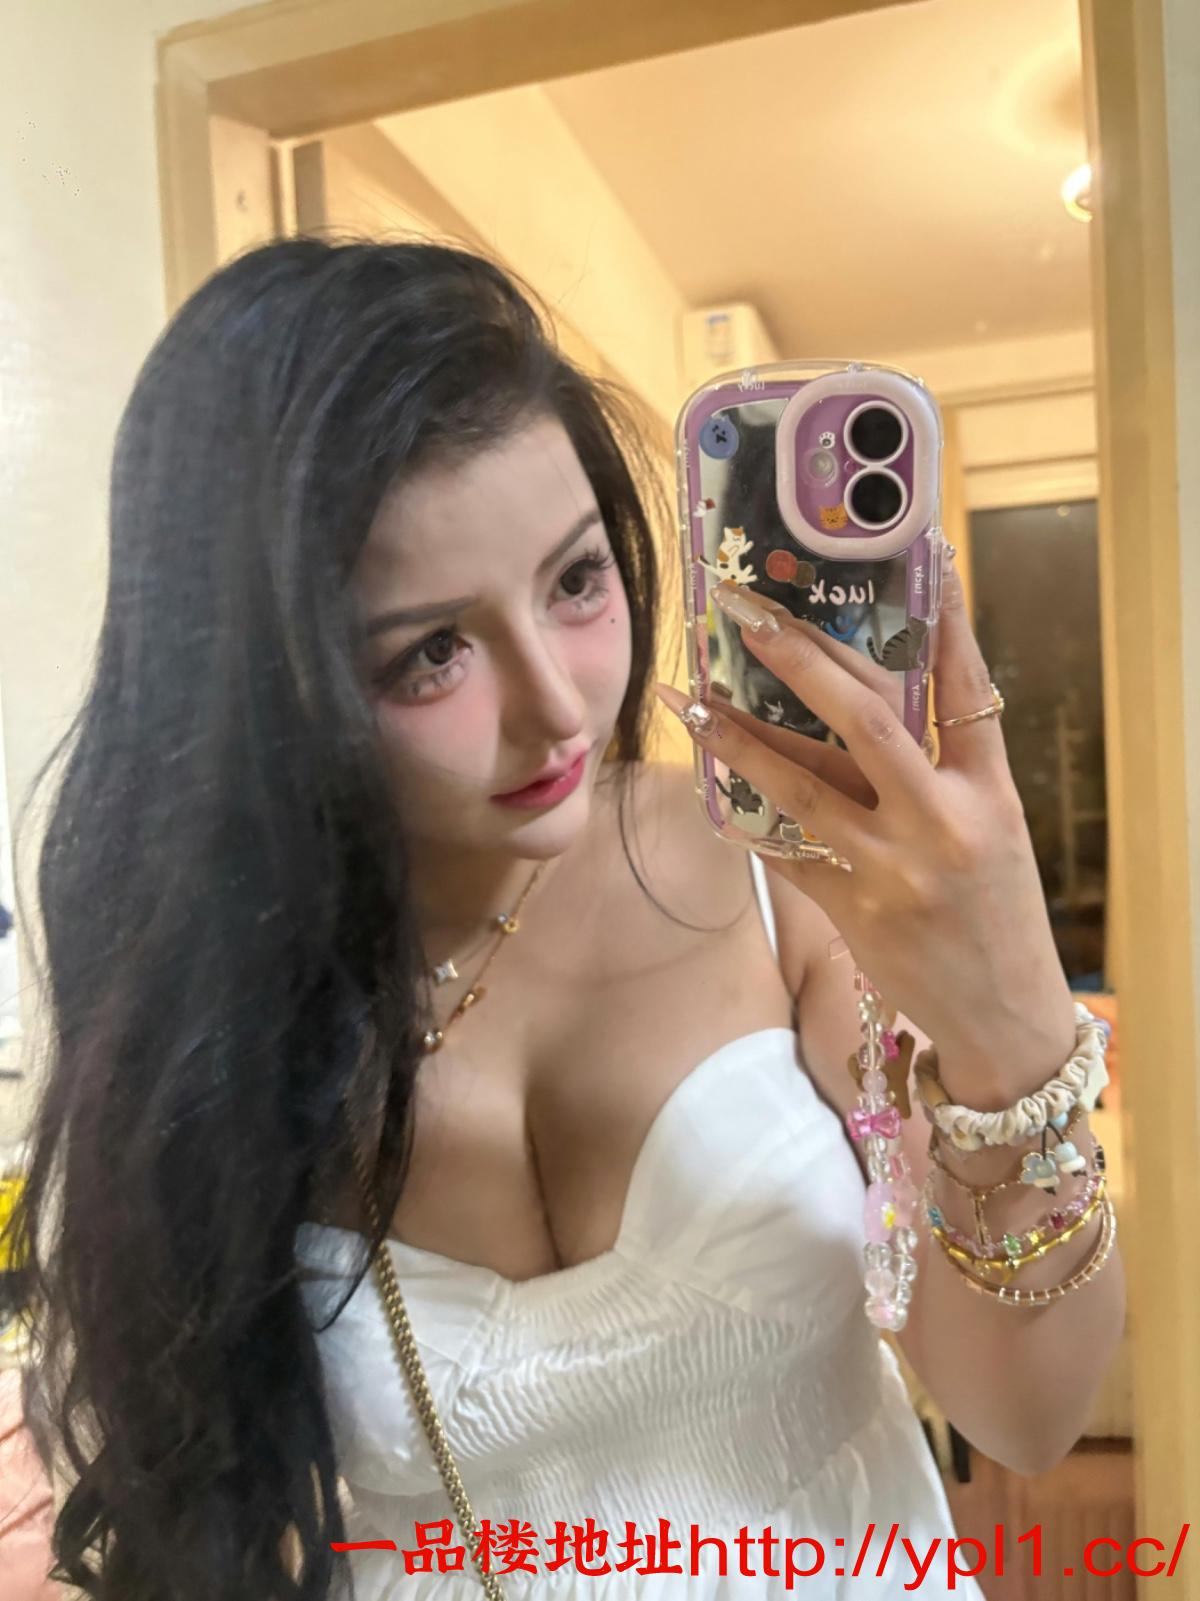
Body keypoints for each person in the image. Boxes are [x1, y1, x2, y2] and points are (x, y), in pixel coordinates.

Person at [4, 237, 1123, 1600]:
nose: (558, 707)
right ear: (266, 686)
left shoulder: (771, 873)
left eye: (578, 579)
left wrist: (1013, 1026)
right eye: (430, 651)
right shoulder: (224, 1015)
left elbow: (1024, 1414)